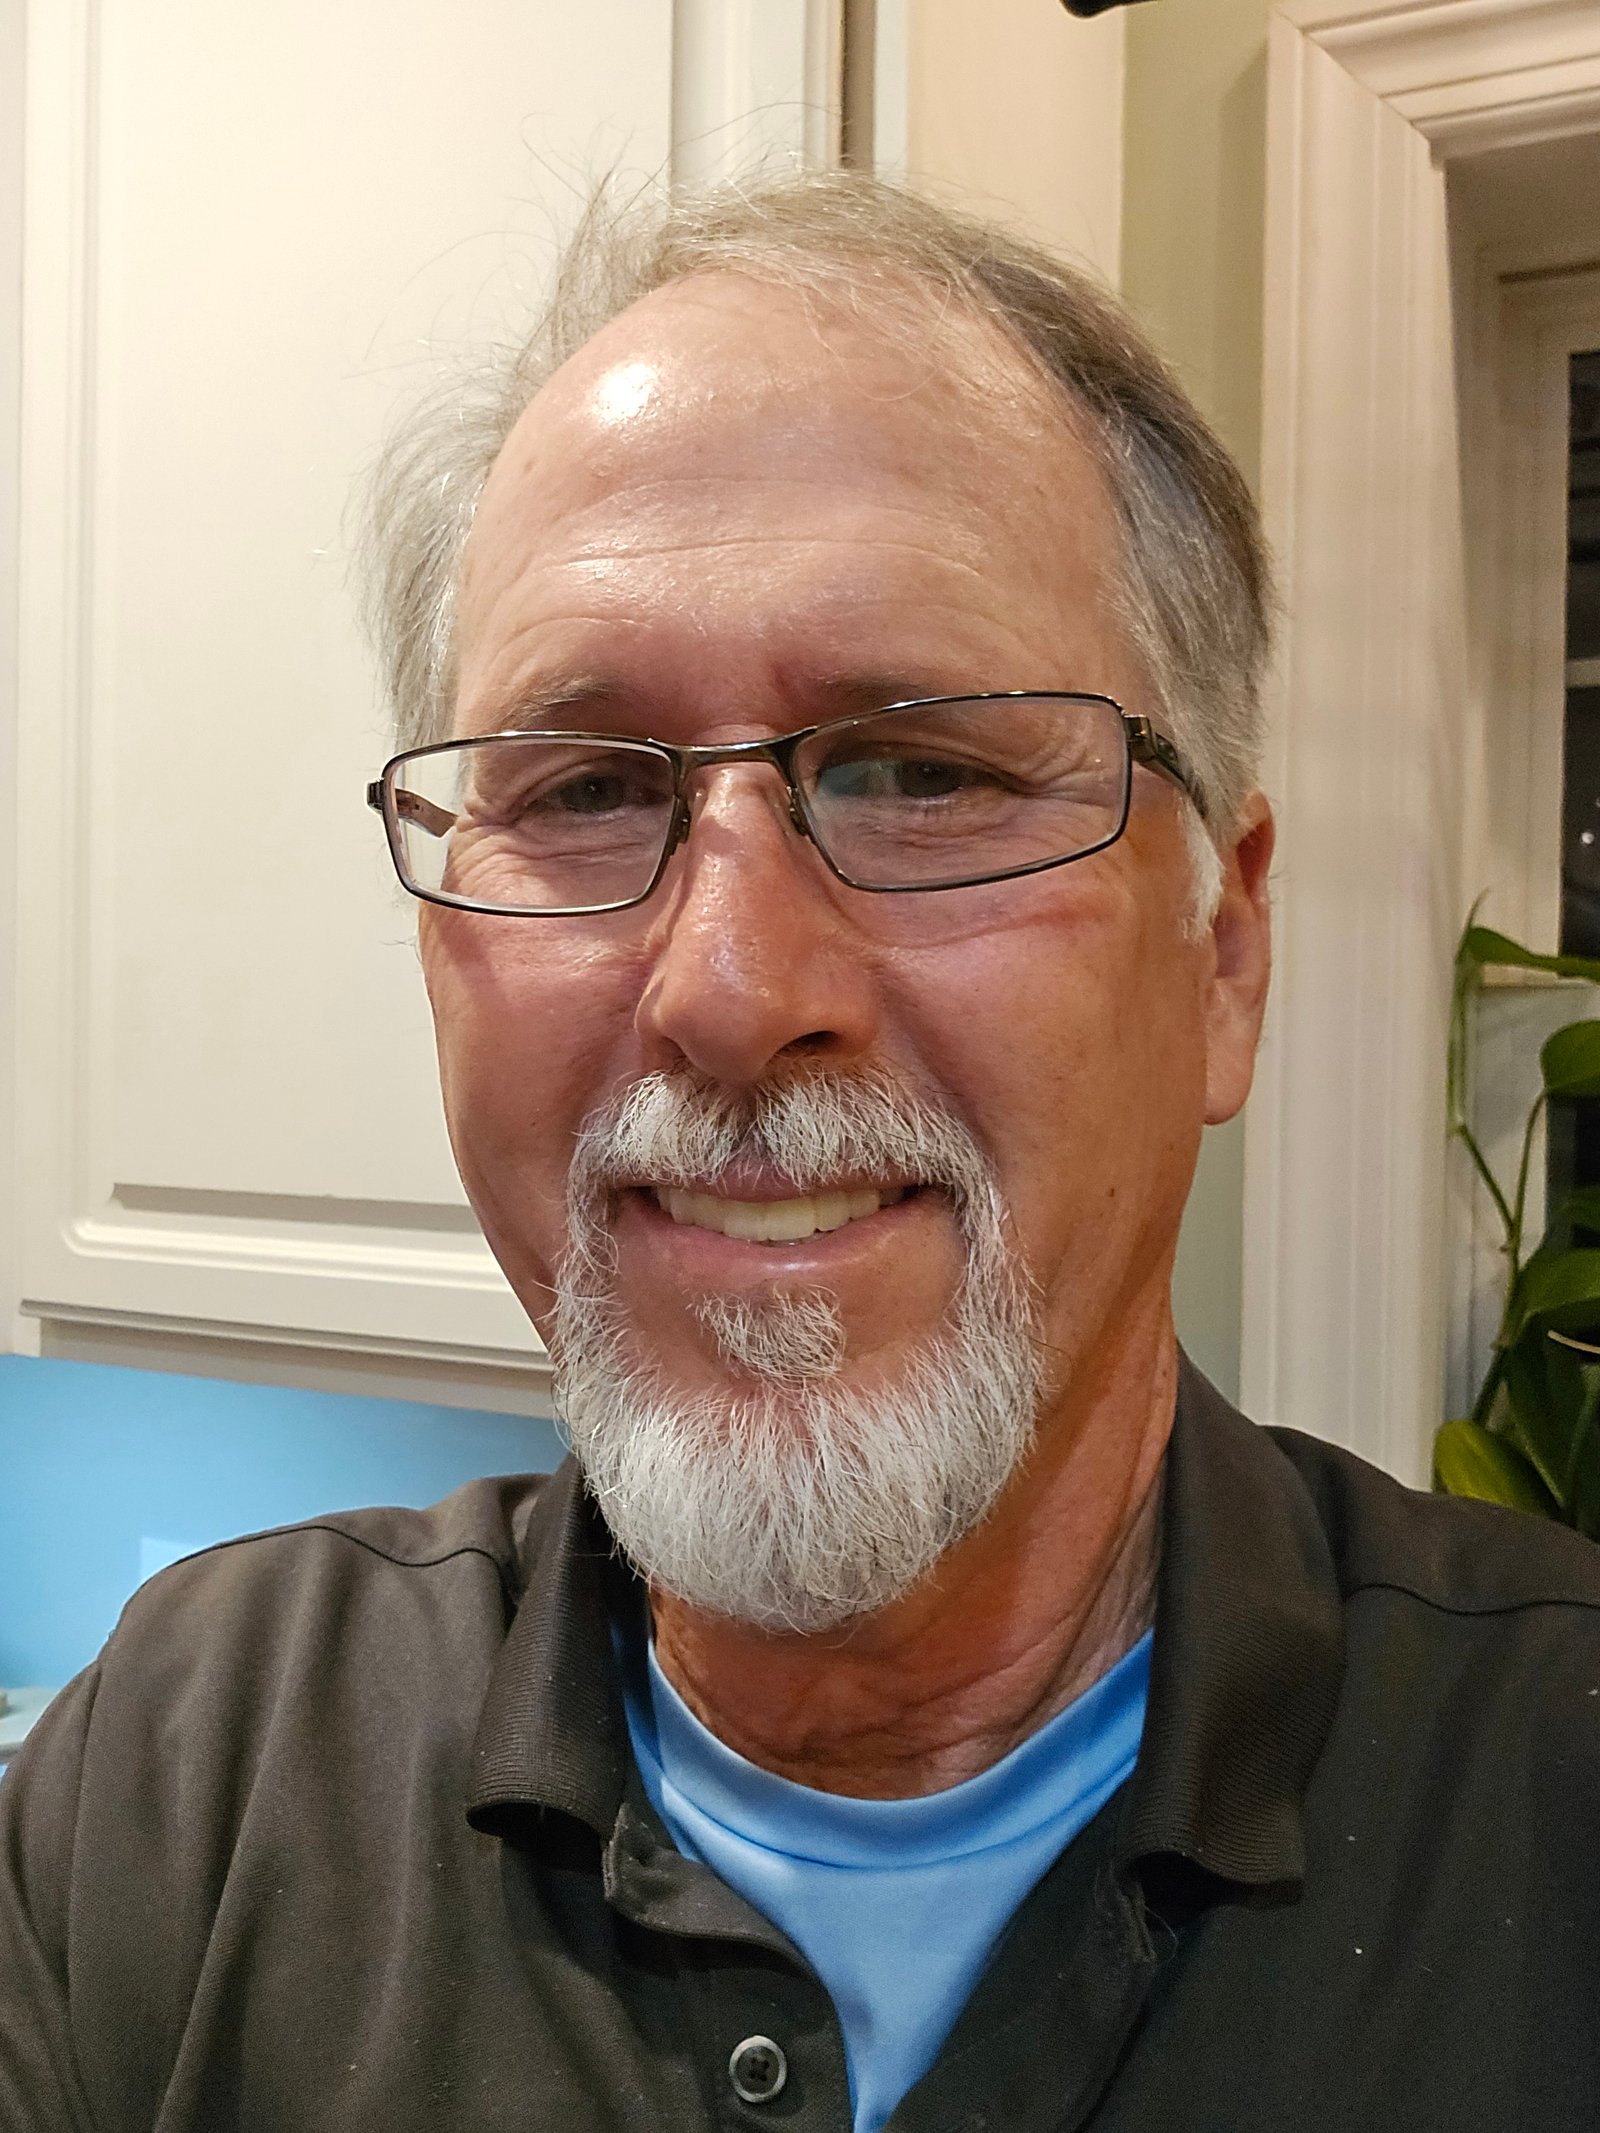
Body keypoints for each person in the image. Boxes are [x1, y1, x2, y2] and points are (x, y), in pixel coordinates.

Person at [4, 172, 1600, 2133]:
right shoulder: (182, 1777)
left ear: (1224, 950)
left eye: (925, 769)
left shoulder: (1551, 1802)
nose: (731, 985)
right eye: (582, 790)